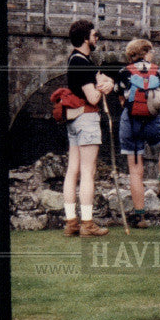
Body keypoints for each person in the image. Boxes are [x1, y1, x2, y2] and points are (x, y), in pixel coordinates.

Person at [61, 19, 114, 237]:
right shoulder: (83, 63)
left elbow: (94, 82)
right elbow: (92, 97)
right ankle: (88, 223)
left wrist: (103, 81)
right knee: (88, 172)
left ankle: (71, 222)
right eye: (93, 35)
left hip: (74, 120)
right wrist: (104, 87)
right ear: (85, 38)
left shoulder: (76, 60)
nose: (96, 38)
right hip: (87, 119)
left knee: (72, 170)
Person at [116, 38, 160, 228]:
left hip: (130, 122)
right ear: (146, 51)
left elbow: (121, 100)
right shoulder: (158, 71)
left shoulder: (123, 72)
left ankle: (140, 217)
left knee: (136, 171)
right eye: (152, 51)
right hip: (151, 120)